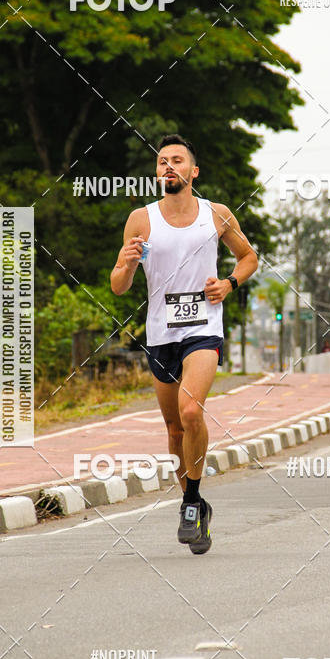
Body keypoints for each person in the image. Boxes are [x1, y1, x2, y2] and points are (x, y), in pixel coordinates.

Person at [110, 134, 258, 553]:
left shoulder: (216, 215)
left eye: (177, 161)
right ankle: (193, 502)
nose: (168, 167)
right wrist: (126, 261)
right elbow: (119, 287)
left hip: (204, 330)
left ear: (193, 172)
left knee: (191, 410)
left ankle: (191, 503)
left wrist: (228, 283)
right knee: (174, 429)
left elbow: (249, 258)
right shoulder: (141, 219)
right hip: (161, 335)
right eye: (162, 162)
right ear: (157, 173)